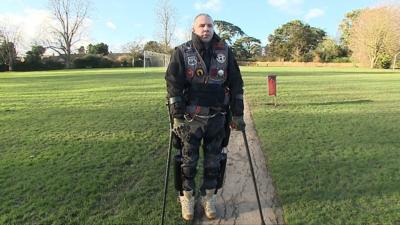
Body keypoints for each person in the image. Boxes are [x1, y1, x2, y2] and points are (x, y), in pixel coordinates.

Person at [165, 13, 245, 221]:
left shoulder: (225, 51)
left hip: (217, 118)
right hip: (191, 120)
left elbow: (236, 84)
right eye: (202, 26)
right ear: (194, 29)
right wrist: (177, 118)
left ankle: (208, 198)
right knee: (188, 162)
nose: (206, 29)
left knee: (214, 162)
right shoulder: (182, 52)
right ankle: (187, 198)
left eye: (209, 25)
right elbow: (173, 86)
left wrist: (238, 114)